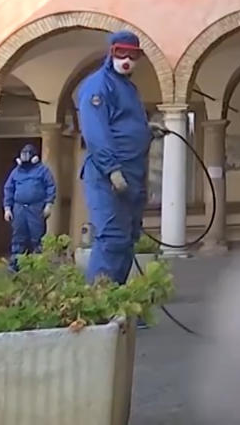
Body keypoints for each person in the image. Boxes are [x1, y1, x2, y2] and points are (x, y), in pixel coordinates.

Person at [76, 30, 154, 288]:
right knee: (111, 238)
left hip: (133, 174)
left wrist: (148, 131)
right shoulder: (99, 85)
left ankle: (115, 299)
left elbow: (125, 123)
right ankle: (97, 304)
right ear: (111, 54)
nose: (127, 60)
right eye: (121, 53)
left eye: (132, 55)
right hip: (107, 176)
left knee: (127, 239)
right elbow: (95, 132)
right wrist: (112, 169)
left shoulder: (129, 88)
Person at [2, 143, 56, 271]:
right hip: (19, 208)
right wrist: (7, 208)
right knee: (18, 237)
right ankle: (16, 266)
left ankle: (38, 267)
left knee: (37, 238)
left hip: (36, 208)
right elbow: (8, 189)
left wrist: (49, 204)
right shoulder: (16, 172)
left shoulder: (43, 170)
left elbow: (50, 187)